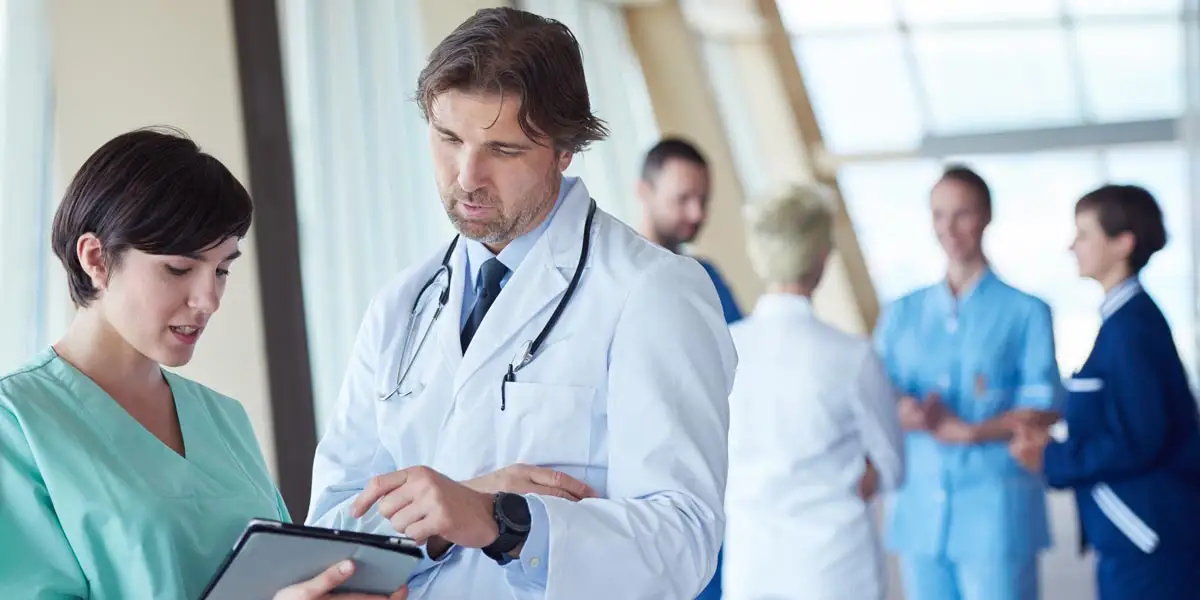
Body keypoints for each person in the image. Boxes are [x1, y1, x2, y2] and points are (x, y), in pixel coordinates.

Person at [306, 7, 735, 600]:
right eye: (448, 138)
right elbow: (332, 526)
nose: (466, 177)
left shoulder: (653, 291)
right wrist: (449, 518)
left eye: (503, 150)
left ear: (564, 151)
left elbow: (684, 541)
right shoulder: (399, 306)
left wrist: (503, 522)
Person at [0, 127, 405, 600]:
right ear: (96, 258)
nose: (208, 299)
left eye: (222, 269)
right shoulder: (18, 424)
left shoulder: (223, 419)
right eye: (179, 269)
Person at [874, 165, 1062, 600]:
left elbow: (1045, 402)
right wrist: (905, 409)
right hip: (920, 509)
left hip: (995, 511)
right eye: (939, 215)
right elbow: (878, 386)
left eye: (962, 214)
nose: (949, 228)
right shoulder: (902, 313)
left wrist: (974, 432)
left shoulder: (1026, 311)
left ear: (987, 216)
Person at [1009, 184, 1200, 600]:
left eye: (1083, 234)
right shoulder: (1124, 322)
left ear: (1122, 244)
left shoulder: (1131, 329)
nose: (1071, 246)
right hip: (1135, 539)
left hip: (1149, 543)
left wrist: (1051, 457)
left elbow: (1139, 438)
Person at [722, 183, 904, 600]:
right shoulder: (852, 356)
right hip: (835, 571)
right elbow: (892, 465)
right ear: (823, 257)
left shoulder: (724, 347)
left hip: (753, 569)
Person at [636, 137, 743, 324]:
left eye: (703, 200)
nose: (697, 214)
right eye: (682, 199)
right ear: (644, 192)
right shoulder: (622, 282)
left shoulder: (706, 276)